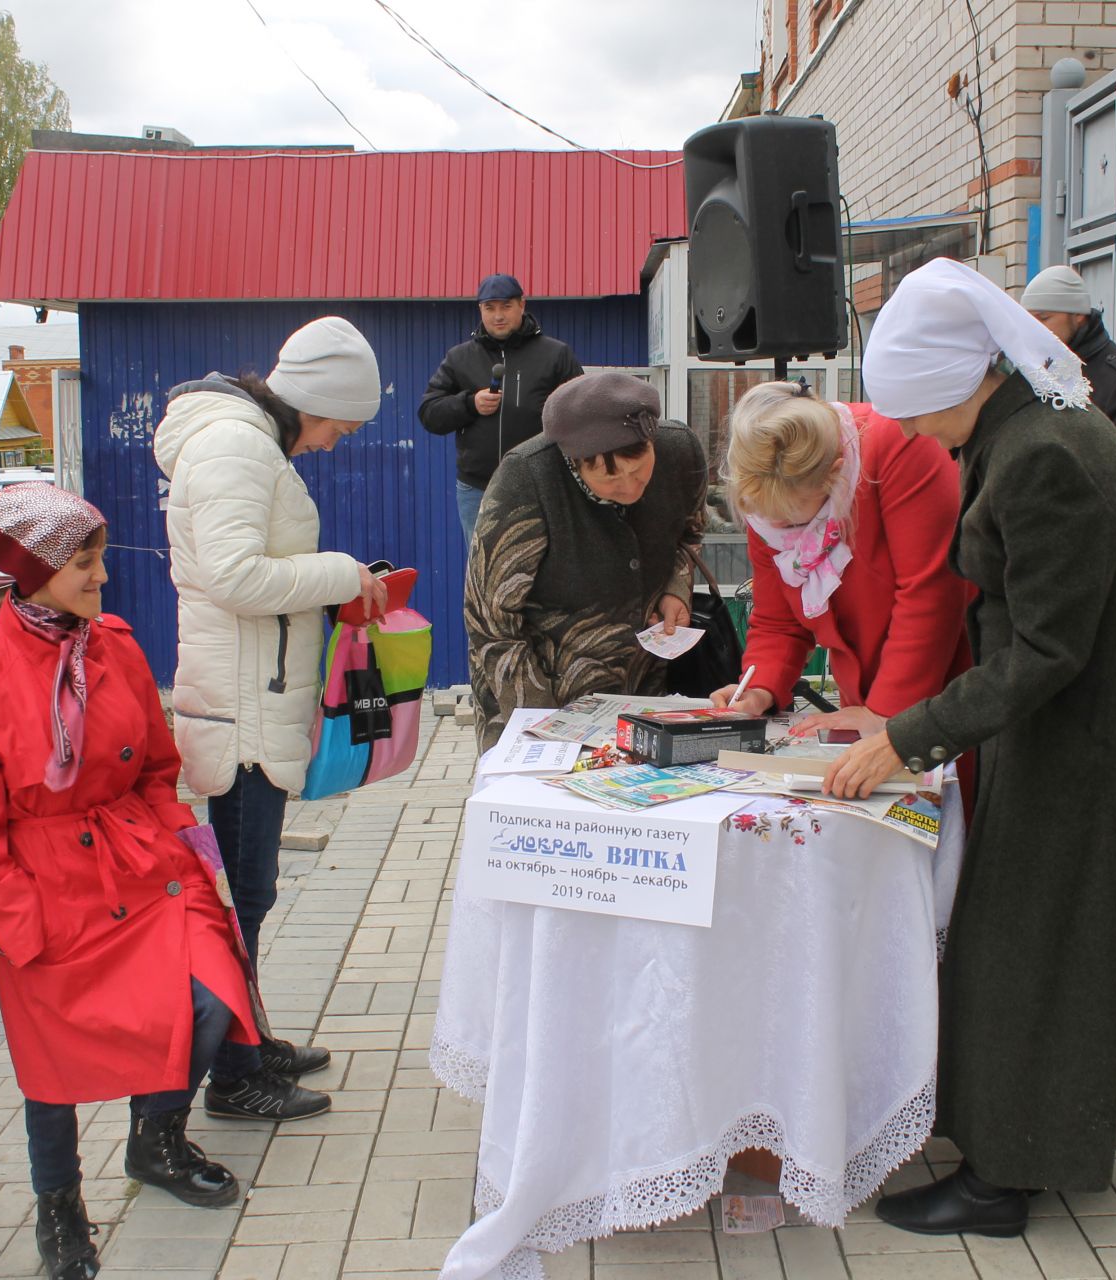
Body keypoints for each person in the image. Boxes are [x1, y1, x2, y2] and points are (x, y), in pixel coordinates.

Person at [824, 258, 1116, 1236]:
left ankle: (1004, 1176)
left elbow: (1046, 648)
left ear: (957, 383)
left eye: (913, 411)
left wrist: (906, 738)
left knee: (1028, 956)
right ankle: (1049, 1134)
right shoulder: (1032, 430)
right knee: (1055, 950)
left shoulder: (1043, 454)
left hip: (1078, 751)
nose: (909, 432)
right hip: (1067, 740)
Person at [0, 484, 272, 1280]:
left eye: (99, 559)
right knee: (53, 1061)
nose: (102, 578)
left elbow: (157, 767)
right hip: (48, 881)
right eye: (85, 563)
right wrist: (28, 928)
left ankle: (157, 1137)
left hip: (144, 859)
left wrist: (194, 859)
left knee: (213, 993)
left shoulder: (113, 644)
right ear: (34, 570)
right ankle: (60, 1208)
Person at [154, 317, 387, 1121]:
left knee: (251, 891)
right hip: (241, 713)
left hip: (253, 696)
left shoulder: (249, 442)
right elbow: (232, 574)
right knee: (240, 897)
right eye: (337, 425)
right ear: (310, 401)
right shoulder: (237, 447)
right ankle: (235, 1075)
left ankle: (248, 1039)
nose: (332, 443)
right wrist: (338, 573)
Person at [708, 381, 970, 736]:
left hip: (943, 690)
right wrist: (758, 689)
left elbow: (931, 593)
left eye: (791, 519)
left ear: (834, 474)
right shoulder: (765, 488)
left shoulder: (898, 444)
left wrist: (886, 711)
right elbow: (778, 618)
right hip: (863, 704)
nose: (779, 531)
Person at [465, 370, 705, 750]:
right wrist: (544, 724)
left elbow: (688, 534)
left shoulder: (680, 453)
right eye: (609, 478)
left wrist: (675, 588)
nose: (629, 485)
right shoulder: (526, 478)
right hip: (538, 694)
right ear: (574, 463)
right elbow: (491, 623)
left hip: (643, 691)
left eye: (639, 468)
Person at [418, 273, 587, 542]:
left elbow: (582, 413)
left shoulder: (556, 355)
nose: (498, 315)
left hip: (540, 486)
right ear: (480, 309)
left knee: (541, 568)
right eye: (490, 307)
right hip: (478, 489)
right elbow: (429, 414)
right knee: (484, 573)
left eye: (506, 306)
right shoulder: (459, 358)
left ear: (522, 305)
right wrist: (469, 404)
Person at [1021, 264, 1116, 484]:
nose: (1035, 329)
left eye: (1044, 318)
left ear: (1078, 315)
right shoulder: (1034, 368)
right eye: (1029, 320)